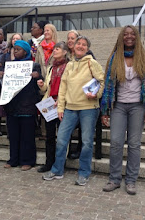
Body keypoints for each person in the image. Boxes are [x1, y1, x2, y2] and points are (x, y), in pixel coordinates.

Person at [101, 25, 145, 195]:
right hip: (118, 106)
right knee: (116, 142)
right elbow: (108, 85)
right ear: (121, 37)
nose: (129, 37)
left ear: (137, 37)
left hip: (137, 106)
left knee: (134, 144)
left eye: (132, 34)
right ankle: (115, 179)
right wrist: (105, 111)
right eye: (126, 34)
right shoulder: (114, 58)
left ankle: (131, 180)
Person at [42, 36, 104, 186]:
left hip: (88, 108)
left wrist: (96, 94)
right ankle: (57, 169)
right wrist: (61, 107)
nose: (81, 46)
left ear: (87, 49)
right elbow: (63, 88)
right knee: (62, 140)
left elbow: (102, 81)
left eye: (84, 45)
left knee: (87, 142)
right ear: (74, 47)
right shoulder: (69, 65)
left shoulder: (92, 63)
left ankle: (84, 173)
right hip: (70, 109)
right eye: (78, 44)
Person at [3, 40, 42, 171]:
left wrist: (37, 77)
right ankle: (13, 159)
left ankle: (28, 160)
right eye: (14, 49)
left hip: (27, 106)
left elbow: (40, 86)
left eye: (18, 49)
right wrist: (0, 77)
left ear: (25, 51)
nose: (15, 51)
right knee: (13, 135)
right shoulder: (10, 66)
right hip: (13, 106)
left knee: (27, 136)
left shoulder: (34, 66)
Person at [66, 30, 103, 160]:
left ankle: (81, 154)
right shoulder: (67, 57)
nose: (71, 40)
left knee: (85, 134)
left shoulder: (89, 58)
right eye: (69, 38)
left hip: (87, 102)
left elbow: (99, 79)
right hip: (71, 102)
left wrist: (96, 94)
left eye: (73, 38)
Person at [36, 42, 69, 173]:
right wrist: (42, 84)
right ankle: (49, 162)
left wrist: (62, 100)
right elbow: (46, 88)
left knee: (62, 137)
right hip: (50, 104)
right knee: (49, 136)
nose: (54, 51)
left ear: (65, 51)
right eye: (54, 49)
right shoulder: (51, 68)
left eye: (57, 49)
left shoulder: (69, 66)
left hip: (62, 105)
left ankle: (60, 163)